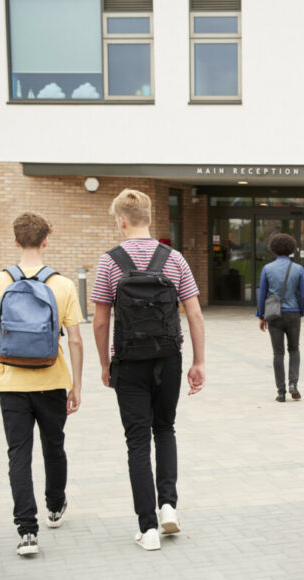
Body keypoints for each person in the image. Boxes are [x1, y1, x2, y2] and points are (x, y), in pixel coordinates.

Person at [91, 189, 205, 551]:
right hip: (168, 358)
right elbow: (195, 315)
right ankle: (168, 505)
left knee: (137, 441)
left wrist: (104, 363)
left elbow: (99, 321)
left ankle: (148, 528)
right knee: (165, 428)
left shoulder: (109, 262)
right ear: (150, 218)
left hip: (128, 361)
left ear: (121, 220)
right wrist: (198, 362)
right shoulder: (174, 259)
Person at [0, 213, 83, 556]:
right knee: (54, 446)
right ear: (46, 241)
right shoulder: (63, 285)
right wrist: (76, 385)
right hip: (52, 380)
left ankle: (27, 531)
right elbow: (77, 341)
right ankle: (55, 506)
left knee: (18, 454)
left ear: (15, 241)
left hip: (11, 383)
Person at [256, 232, 304, 402]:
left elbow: (262, 293)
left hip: (274, 314)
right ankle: (293, 383)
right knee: (294, 349)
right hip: (293, 313)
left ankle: (281, 392)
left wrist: (261, 315)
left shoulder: (267, 269)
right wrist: (301, 310)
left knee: (277, 353)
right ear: (291, 249)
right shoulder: (299, 269)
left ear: (273, 249)